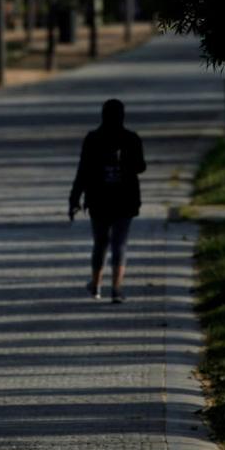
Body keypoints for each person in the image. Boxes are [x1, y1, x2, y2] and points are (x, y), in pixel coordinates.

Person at [68, 98, 147, 303]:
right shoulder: (131, 138)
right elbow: (141, 167)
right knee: (120, 243)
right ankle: (117, 288)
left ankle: (96, 285)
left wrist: (74, 199)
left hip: (98, 200)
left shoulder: (93, 138)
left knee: (100, 243)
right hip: (125, 200)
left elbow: (83, 171)